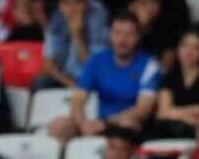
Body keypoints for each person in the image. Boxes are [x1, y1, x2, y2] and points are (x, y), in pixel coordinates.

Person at [51, 12, 160, 142]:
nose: (122, 40)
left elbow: (143, 109)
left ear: (138, 37)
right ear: (110, 35)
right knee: (59, 126)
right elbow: (78, 99)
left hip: (125, 123)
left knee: (128, 124)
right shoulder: (97, 61)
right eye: (117, 33)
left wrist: (106, 123)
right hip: (98, 123)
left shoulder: (148, 65)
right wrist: (82, 123)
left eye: (129, 34)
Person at [151, 28, 199, 136]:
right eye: (184, 46)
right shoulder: (170, 76)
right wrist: (192, 111)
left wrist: (174, 112)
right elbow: (162, 113)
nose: (188, 52)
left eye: (195, 48)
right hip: (169, 129)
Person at [39, 0, 110, 89]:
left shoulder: (97, 20)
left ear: (85, 5)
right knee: (40, 82)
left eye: (77, 3)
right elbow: (49, 66)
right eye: (67, 4)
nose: (72, 9)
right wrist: (71, 85)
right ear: (60, 6)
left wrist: (77, 35)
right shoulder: (56, 19)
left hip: (89, 77)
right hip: (65, 78)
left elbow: (94, 68)